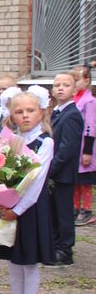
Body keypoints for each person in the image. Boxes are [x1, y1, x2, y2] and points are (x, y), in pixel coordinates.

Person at [0, 88, 54, 294]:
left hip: (29, 209)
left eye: (30, 110)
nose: (25, 115)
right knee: (13, 261)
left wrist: (17, 209)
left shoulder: (45, 142)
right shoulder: (10, 141)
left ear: (41, 112)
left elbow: (36, 183)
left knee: (28, 261)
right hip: (8, 206)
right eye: (19, 112)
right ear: (11, 116)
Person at [46, 72, 84, 266]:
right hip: (54, 173)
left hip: (62, 174)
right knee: (52, 210)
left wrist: (50, 169)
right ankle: (54, 245)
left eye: (66, 85)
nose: (60, 88)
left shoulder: (72, 115)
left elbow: (66, 149)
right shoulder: (57, 112)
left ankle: (65, 250)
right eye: (57, 85)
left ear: (74, 90)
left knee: (63, 212)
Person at [72, 65, 96, 226]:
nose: (74, 83)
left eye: (76, 80)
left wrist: (87, 151)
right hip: (74, 146)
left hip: (84, 147)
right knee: (74, 179)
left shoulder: (90, 101)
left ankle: (86, 210)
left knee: (84, 181)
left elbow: (90, 126)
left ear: (86, 80)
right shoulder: (74, 99)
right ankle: (74, 207)